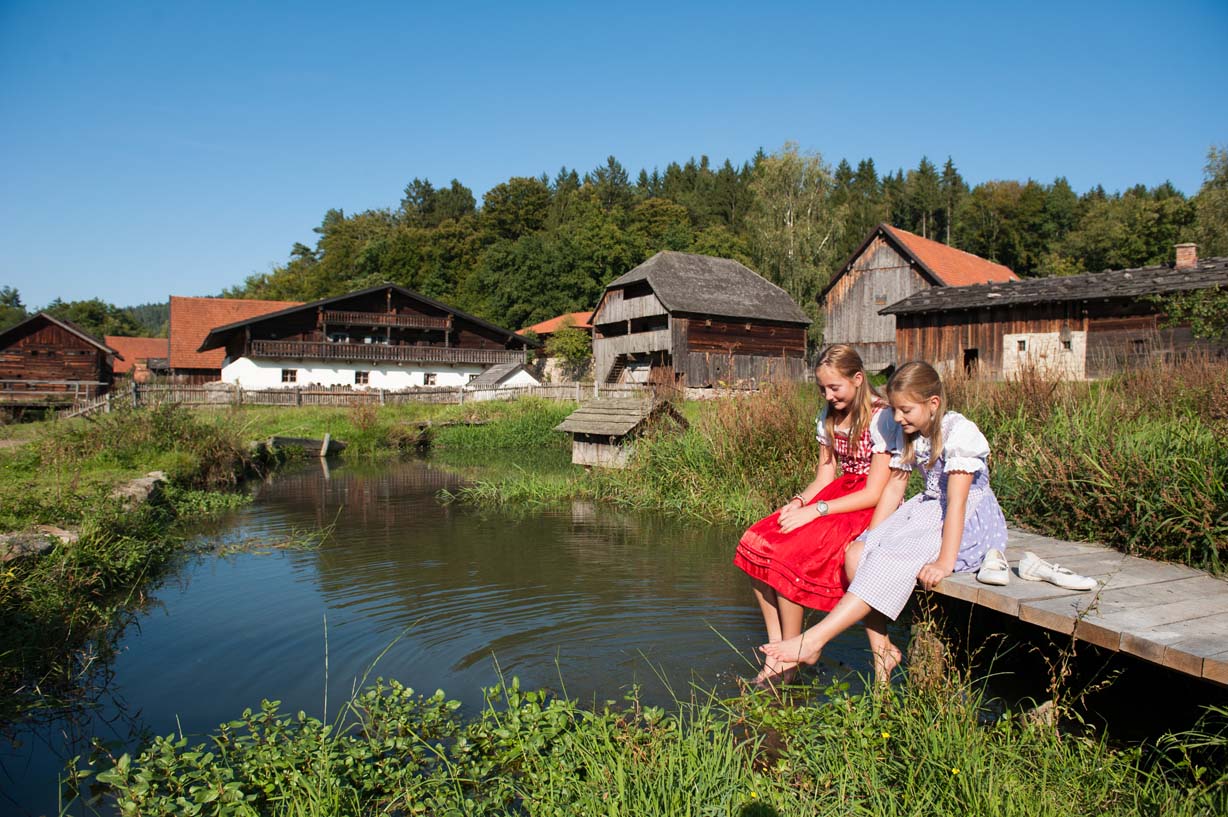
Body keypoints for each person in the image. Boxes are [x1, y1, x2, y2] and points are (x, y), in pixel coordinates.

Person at [760, 360, 1008, 680]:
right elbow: (893, 488)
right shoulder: (909, 432)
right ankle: (883, 653)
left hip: (966, 516)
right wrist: (873, 536)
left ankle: (814, 639)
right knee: (857, 553)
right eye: (894, 409)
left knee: (894, 558)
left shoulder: (959, 434)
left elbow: (957, 505)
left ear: (933, 404)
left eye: (905, 410)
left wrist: (945, 562)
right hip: (928, 507)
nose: (897, 417)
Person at [733, 344, 904, 686]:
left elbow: (874, 491)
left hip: (867, 505)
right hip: (835, 495)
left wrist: (817, 510)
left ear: (858, 379)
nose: (828, 395)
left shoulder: (882, 417)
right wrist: (798, 502)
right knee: (756, 540)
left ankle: (793, 656)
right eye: (822, 388)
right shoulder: (827, 415)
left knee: (790, 554)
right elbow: (824, 476)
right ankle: (778, 649)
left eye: (834, 387)